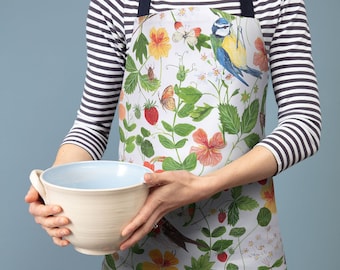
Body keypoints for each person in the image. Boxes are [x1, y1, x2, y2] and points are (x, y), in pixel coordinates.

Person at [25, 0, 321, 269]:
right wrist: (57, 190)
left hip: (245, 247)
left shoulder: (276, 3)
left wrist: (206, 184)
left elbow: (304, 123)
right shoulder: (114, 4)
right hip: (138, 246)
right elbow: (92, 125)